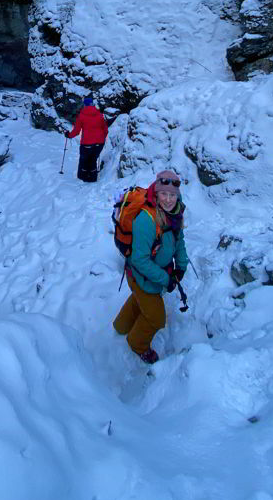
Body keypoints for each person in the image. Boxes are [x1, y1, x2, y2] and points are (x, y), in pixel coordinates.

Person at [113, 169, 187, 364]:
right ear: (156, 193)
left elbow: (178, 240)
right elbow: (140, 260)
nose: (169, 199)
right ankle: (137, 344)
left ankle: (121, 326)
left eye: (172, 195)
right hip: (140, 275)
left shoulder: (175, 213)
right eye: (164, 194)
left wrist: (181, 265)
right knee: (156, 318)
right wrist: (166, 279)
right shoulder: (146, 219)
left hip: (152, 274)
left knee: (140, 300)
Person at [66, 96, 108, 182]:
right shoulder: (99, 115)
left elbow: (76, 131)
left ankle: (82, 177)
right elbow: (105, 130)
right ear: (92, 104)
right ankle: (92, 178)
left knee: (84, 160)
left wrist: (69, 135)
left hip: (87, 144)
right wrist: (101, 138)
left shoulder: (81, 116)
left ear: (85, 105)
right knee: (93, 160)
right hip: (99, 143)